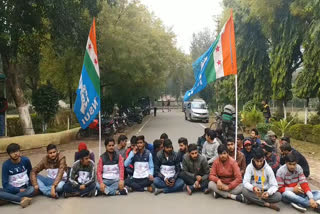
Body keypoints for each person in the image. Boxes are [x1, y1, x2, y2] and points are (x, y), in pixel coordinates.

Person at [0, 143, 33, 207]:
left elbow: (30, 174)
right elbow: (5, 184)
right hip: (12, 189)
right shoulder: (6, 165)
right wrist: (18, 190)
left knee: (31, 189)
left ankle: (7, 198)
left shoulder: (26, 160)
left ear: (19, 151)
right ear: (9, 154)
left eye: (17, 151)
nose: (15, 154)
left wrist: (30, 185)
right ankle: (21, 199)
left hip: (25, 188)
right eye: (12, 152)